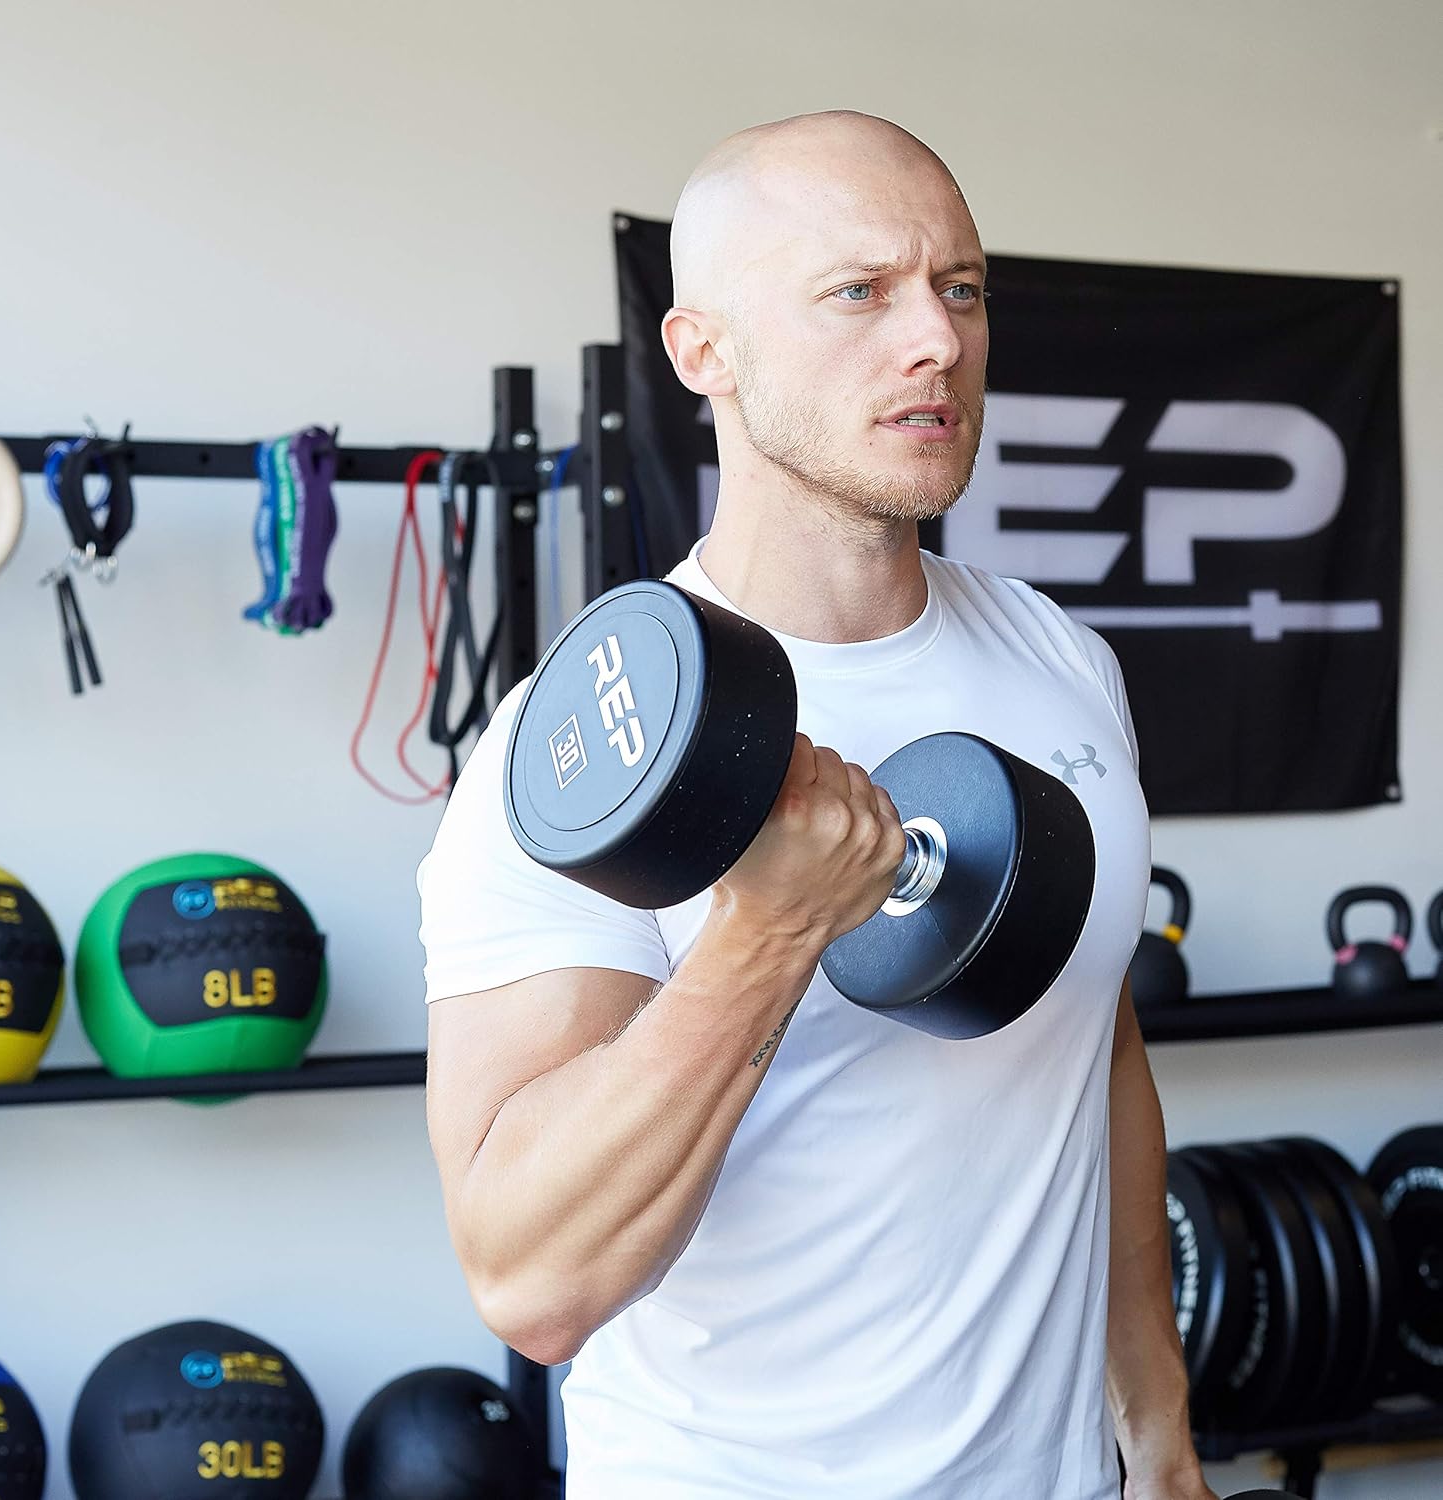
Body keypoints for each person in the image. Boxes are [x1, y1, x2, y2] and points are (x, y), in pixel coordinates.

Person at [418, 110, 1212, 1500]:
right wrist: (769, 934)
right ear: (702, 352)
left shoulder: (1062, 663)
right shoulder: (575, 753)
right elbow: (531, 1282)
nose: (938, 340)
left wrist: (1156, 1440)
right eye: (858, 291)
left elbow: (1099, 1050)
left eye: (960, 287)